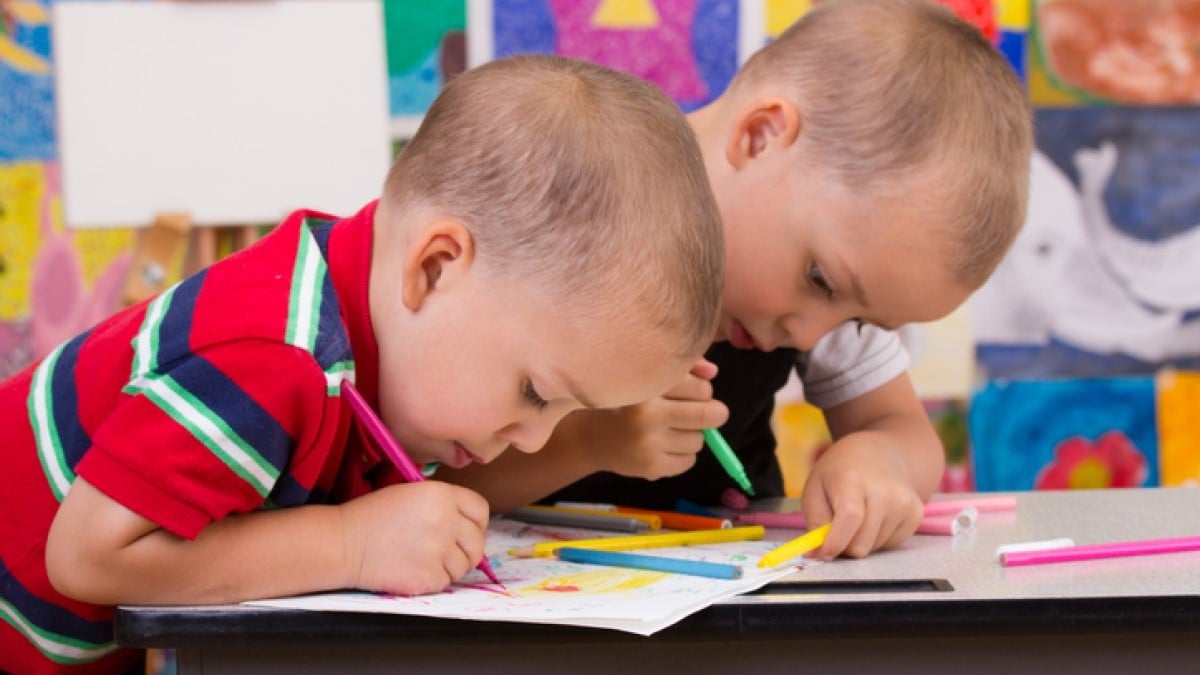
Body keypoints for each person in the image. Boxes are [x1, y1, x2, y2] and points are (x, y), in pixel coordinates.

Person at [0, 54, 725, 675]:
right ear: (435, 267)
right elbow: (88, 556)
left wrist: (596, 441)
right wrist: (352, 546)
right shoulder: (273, 356)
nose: (534, 436)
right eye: (536, 392)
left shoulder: (386, 342)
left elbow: (440, 500)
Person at [443, 0, 1033, 560]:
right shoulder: (568, 206)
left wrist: (880, 462)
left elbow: (901, 428)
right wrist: (591, 440)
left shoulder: (845, 269)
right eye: (820, 280)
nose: (811, 336)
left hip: (723, 606)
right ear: (761, 136)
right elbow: (433, 476)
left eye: (859, 319)